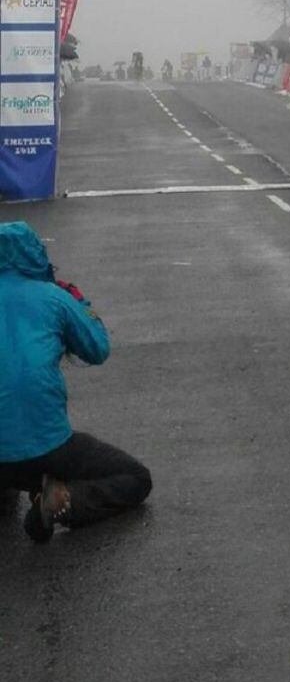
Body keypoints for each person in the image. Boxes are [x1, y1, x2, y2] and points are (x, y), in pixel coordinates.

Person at [0, 222, 152, 543]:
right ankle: (60, 502)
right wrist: (79, 302)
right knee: (135, 477)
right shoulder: (54, 297)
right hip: (48, 446)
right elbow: (98, 349)